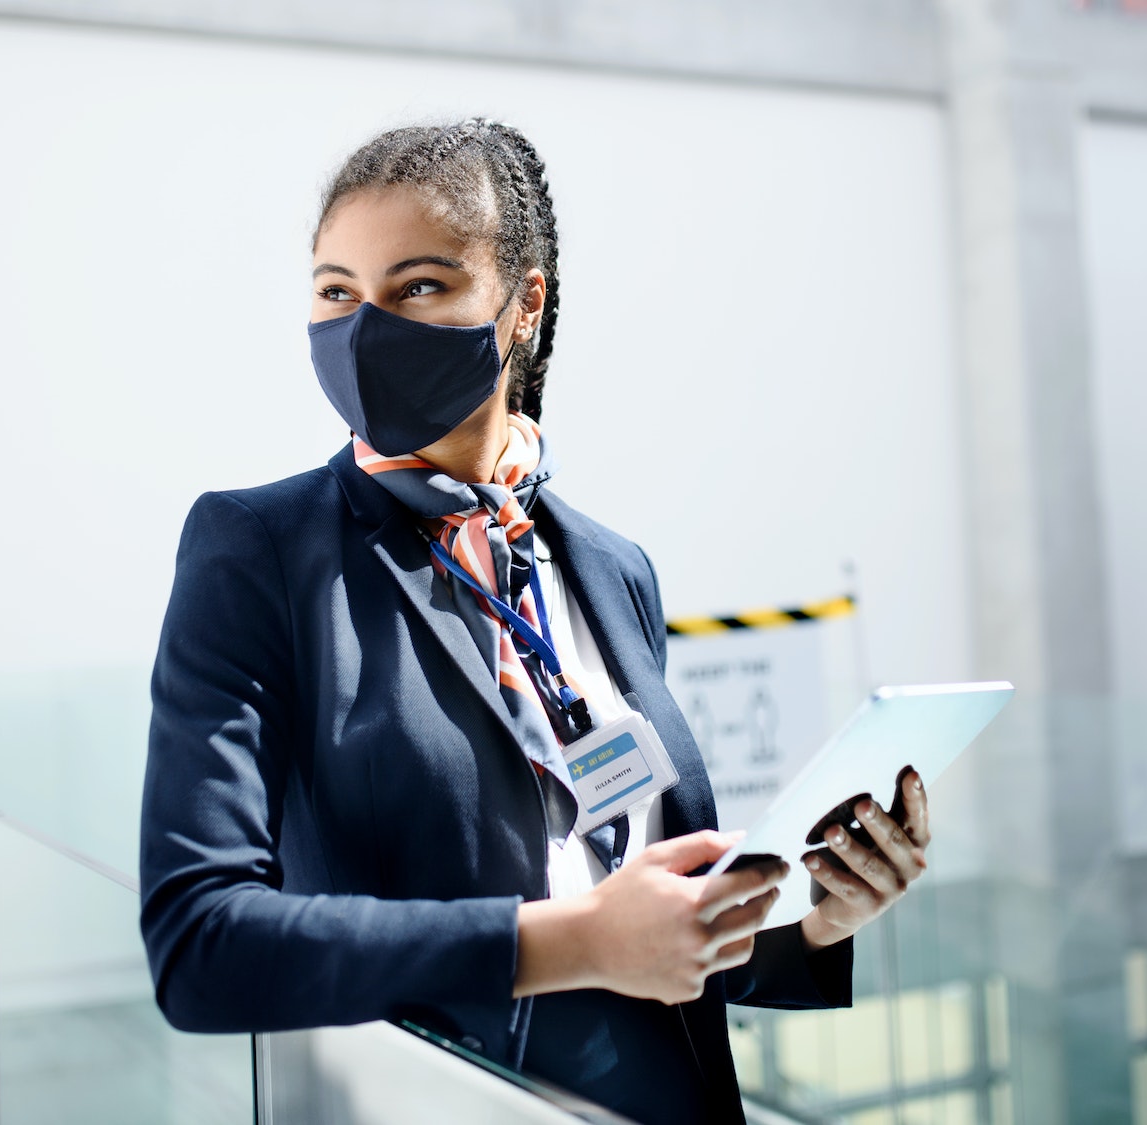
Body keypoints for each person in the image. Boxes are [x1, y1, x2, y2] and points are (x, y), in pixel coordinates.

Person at [138, 118, 933, 1124]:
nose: (363, 326)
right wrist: (570, 942)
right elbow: (199, 946)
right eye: (337, 291)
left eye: (417, 285)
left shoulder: (609, 568)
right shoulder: (253, 552)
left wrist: (818, 917)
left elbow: (657, 939)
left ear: (524, 305)